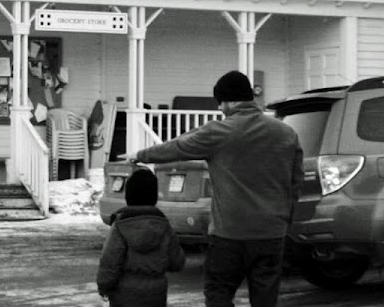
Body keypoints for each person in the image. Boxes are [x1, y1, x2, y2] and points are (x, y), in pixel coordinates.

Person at [122, 70, 304, 307]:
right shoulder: (286, 133)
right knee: (265, 297)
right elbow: (296, 182)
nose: (220, 109)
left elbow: (178, 147)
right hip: (272, 233)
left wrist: (140, 155)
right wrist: (284, 219)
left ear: (229, 100)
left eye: (221, 103)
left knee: (218, 292)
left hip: (230, 234)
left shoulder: (218, 132)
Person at [96, 167, 186, 307]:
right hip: (156, 294)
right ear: (154, 197)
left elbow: (110, 260)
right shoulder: (164, 226)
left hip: (124, 294)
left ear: (128, 196)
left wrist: (104, 286)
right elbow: (177, 262)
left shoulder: (121, 225)